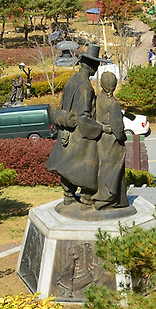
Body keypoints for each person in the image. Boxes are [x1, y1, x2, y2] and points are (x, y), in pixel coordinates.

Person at [45, 45, 106, 207]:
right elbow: (84, 117)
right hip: (80, 134)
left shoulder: (71, 80)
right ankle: (87, 199)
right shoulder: (86, 87)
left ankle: (68, 196)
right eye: (96, 66)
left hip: (66, 132)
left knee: (68, 165)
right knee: (87, 166)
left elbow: (62, 105)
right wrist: (99, 128)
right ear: (92, 67)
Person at [93, 71, 129, 210]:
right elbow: (118, 128)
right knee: (113, 170)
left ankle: (101, 196)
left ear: (102, 85)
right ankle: (109, 199)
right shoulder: (113, 104)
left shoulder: (97, 99)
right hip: (112, 141)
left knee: (102, 168)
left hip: (100, 138)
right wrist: (123, 137)